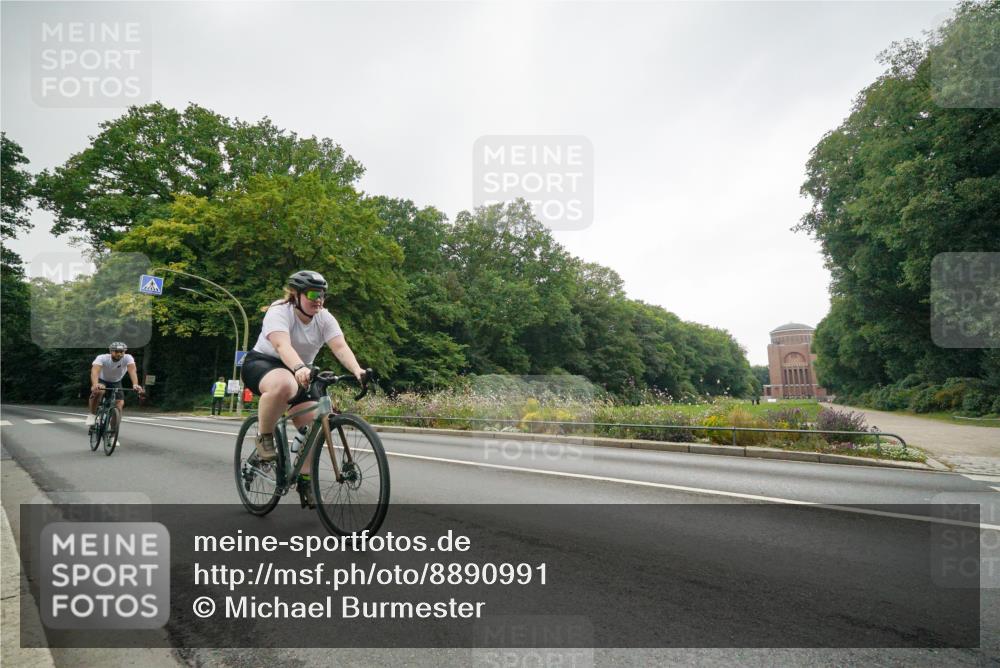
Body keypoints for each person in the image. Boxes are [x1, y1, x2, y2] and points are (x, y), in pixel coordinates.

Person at [240, 270, 365, 508]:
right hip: (265, 363)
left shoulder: (324, 317)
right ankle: (265, 437)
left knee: (317, 422)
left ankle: (305, 479)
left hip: (302, 370)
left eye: (322, 294)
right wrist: (298, 367)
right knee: (284, 384)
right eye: (312, 293)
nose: (318, 299)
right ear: (295, 295)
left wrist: (357, 370)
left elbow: (340, 347)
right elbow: (281, 345)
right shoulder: (279, 311)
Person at [88, 342, 143, 428]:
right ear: (111, 351)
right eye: (116, 351)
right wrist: (95, 384)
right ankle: (92, 415)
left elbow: (132, 371)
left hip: (116, 382)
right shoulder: (102, 358)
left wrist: (135, 384)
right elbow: (95, 371)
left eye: (122, 352)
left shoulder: (128, 358)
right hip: (102, 380)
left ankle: (112, 435)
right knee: (99, 391)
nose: (119, 354)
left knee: (119, 405)